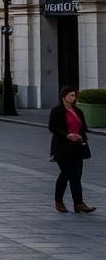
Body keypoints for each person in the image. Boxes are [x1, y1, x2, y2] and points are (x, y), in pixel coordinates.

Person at [49, 85, 96, 213]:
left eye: (74, 95)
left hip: (77, 147)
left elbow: (83, 127)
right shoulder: (57, 110)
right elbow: (52, 127)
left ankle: (79, 203)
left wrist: (81, 136)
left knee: (77, 175)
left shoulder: (78, 111)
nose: (73, 98)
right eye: (71, 95)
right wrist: (67, 135)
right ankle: (59, 201)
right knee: (67, 173)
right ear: (64, 96)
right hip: (62, 147)